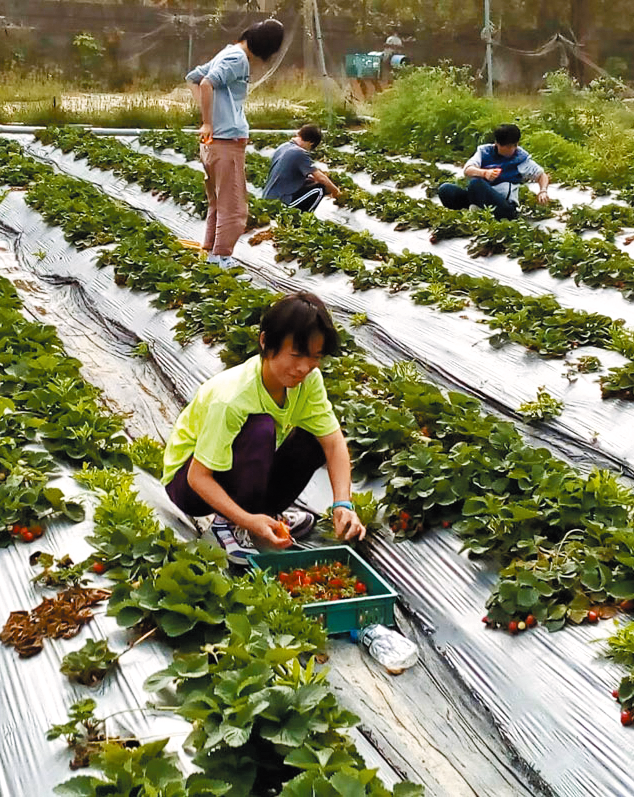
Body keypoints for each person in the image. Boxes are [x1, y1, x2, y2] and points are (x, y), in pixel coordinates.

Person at [162, 293, 367, 565]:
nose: (304, 367)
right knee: (261, 428)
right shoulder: (232, 397)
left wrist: (343, 503)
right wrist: (246, 519)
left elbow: (333, 442)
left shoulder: (309, 381)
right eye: (296, 354)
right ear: (265, 342)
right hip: (189, 485)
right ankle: (228, 524)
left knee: (314, 440)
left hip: (232, 473)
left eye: (315, 357)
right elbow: (198, 478)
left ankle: (265, 516)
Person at [187, 18, 285, 267]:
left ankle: (211, 253)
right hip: (225, 141)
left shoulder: (228, 51)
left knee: (218, 203)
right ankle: (222, 258)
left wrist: (210, 117)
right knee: (234, 206)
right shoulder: (237, 58)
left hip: (215, 143)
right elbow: (207, 83)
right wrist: (209, 121)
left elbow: (194, 77)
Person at [436, 123, 551, 220]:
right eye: (507, 146)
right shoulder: (484, 152)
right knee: (446, 189)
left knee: (476, 184)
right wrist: (484, 173)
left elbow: (541, 175)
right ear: (497, 144)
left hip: (503, 206)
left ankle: (477, 210)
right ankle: (476, 208)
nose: (512, 149)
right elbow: (467, 170)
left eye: (514, 145)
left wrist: (543, 191)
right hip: (480, 196)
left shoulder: (520, 159)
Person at [262, 124, 342, 213]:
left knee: (310, 180)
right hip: (281, 201)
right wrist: (336, 192)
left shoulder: (284, 146)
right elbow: (321, 178)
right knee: (319, 189)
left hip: (268, 198)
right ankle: (305, 217)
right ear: (311, 142)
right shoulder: (299, 153)